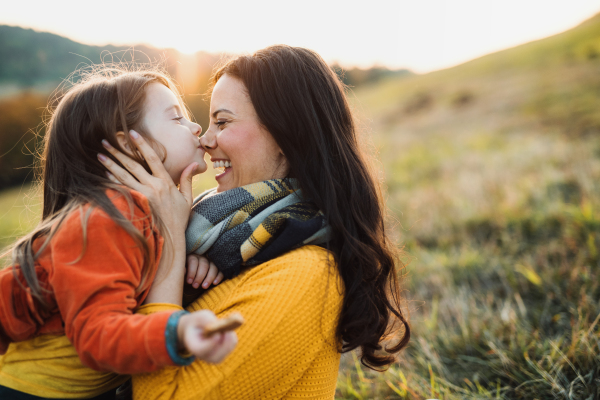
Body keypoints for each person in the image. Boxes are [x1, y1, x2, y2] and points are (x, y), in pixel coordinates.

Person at [100, 45, 411, 400]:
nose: (205, 140)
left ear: (284, 135)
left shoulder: (306, 277)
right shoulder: (223, 238)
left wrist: (170, 246)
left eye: (223, 122)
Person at [0, 67, 237, 400]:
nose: (196, 126)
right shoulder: (104, 220)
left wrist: (183, 262)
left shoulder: (144, 217)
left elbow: (126, 281)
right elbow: (98, 336)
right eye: (176, 118)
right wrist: (178, 331)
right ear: (131, 146)